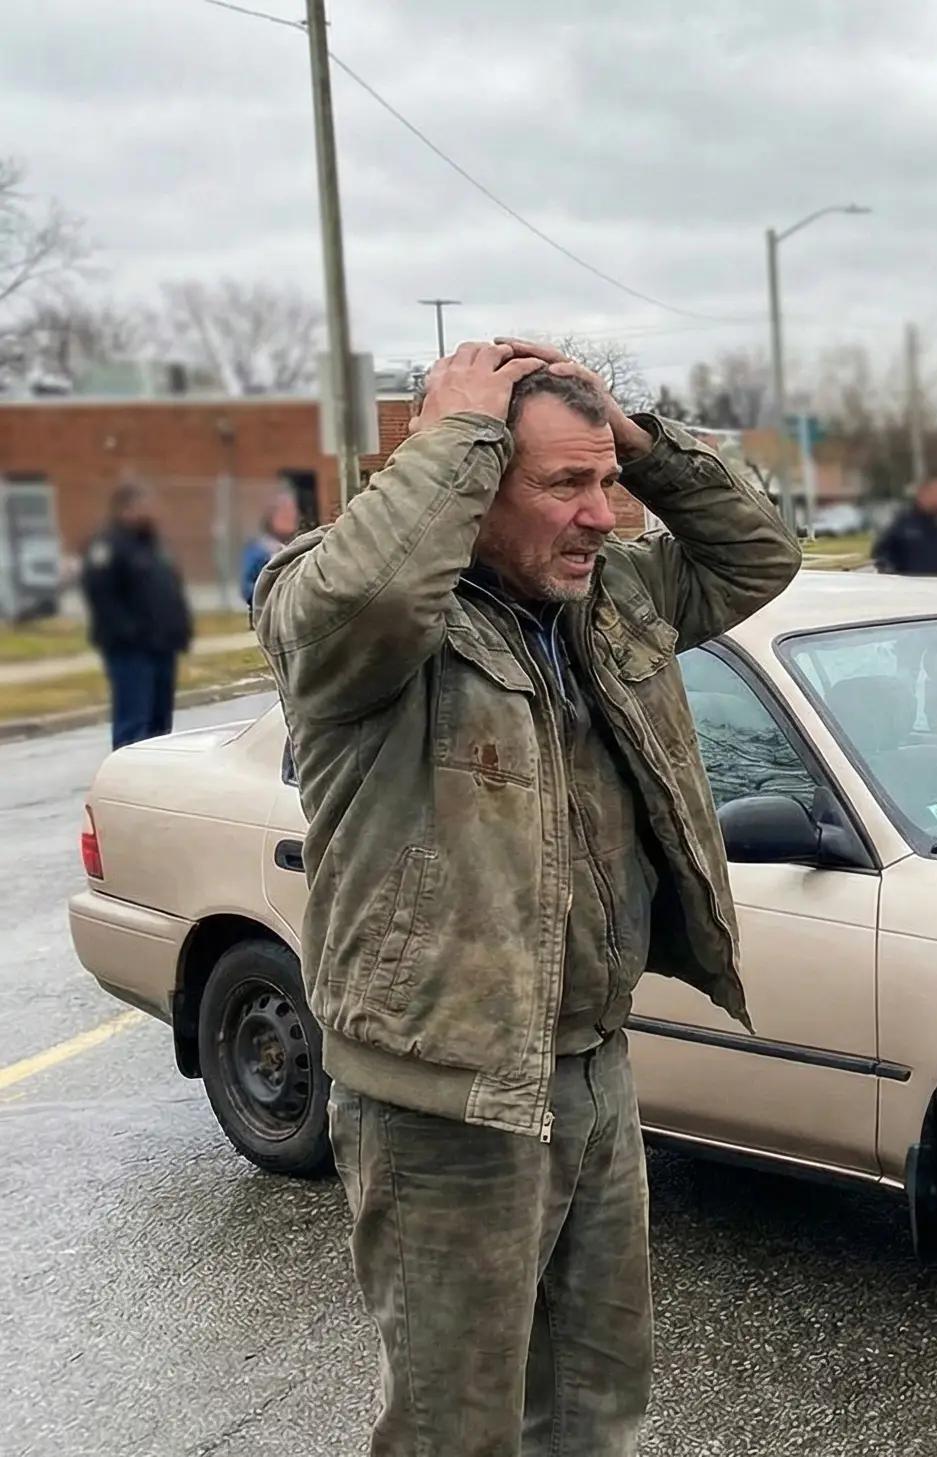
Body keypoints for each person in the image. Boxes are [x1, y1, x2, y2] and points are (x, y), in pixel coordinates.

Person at [254, 338, 800, 1456]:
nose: (601, 514)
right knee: (456, 1428)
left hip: (592, 1060)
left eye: (607, 480)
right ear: (472, 485)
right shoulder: (355, 619)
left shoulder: (611, 597)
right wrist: (453, 432)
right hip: (443, 1093)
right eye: (564, 484)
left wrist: (635, 440)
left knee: (596, 1406)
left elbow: (760, 554)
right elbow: (364, 599)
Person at [81, 482, 193, 748]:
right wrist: (129, 633)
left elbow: (170, 589)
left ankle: (154, 768)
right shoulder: (109, 546)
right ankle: (127, 767)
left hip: (163, 646)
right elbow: (101, 595)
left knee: (160, 723)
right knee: (134, 721)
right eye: (144, 506)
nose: (152, 512)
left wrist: (180, 629)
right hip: (132, 651)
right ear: (125, 509)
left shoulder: (152, 545)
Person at [870, 476, 937, 578]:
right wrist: (890, 572)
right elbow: (882, 555)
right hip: (909, 588)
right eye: (934, 493)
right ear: (922, 494)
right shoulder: (903, 524)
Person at [239, 491, 301, 608]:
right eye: (284, 514)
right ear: (271, 517)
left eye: (292, 512)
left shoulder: (302, 546)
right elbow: (247, 588)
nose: (290, 517)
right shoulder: (258, 550)